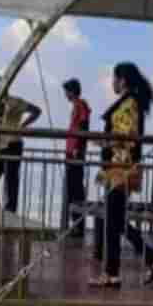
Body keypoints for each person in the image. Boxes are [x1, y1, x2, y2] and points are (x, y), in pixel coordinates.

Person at [89, 62, 153, 288]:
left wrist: (102, 140)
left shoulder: (129, 104)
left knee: (113, 221)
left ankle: (114, 272)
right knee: (115, 220)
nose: (112, 83)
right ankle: (147, 260)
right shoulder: (129, 102)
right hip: (119, 168)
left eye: (114, 78)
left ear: (122, 80)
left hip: (121, 169)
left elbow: (126, 135)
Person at [0, 75, 41, 213]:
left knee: (10, 181)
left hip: (12, 144)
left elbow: (36, 111)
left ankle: (9, 212)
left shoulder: (14, 102)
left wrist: (22, 125)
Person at [63, 79, 91, 239]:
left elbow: (83, 125)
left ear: (72, 91)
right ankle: (75, 225)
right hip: (72, 152)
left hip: (75, 153)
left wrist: (76, 148)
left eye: (66, 91)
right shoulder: (77, 106)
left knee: (75, 191)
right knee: (73, 189)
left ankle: (78, 226)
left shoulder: (81, 105)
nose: (65, 95)